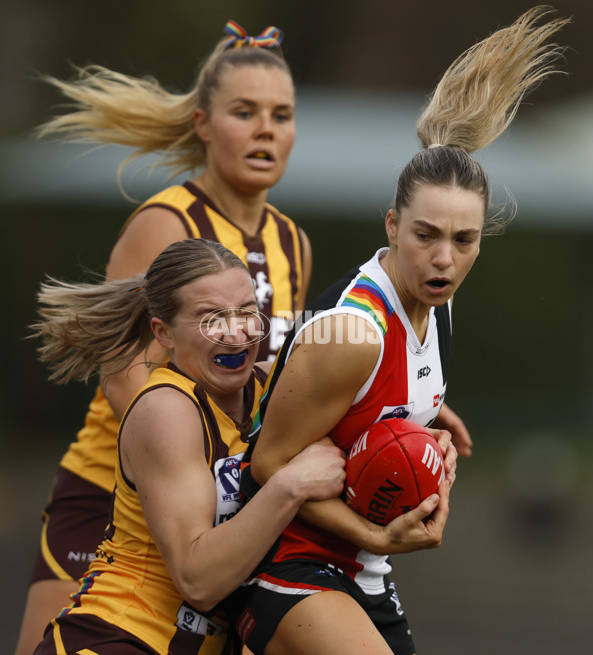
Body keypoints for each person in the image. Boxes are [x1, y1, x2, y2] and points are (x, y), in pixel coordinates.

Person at [232, 7, 568, 655]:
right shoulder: (352, 333)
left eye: (463, 239)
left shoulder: (434, 300)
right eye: (426, 236)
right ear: (392, 227)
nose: (444, 257)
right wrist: (377, 534)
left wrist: (429, 412)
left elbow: (373, 399)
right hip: (292, 568)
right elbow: (266, 462)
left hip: (365, 575)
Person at [14, 19, 312, 655]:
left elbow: (279, 379)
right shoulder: (166, 223)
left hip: (210, 501)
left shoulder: (294, 242)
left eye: (282, 114)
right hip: (115, 496)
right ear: (204, 124)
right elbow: (127, 380)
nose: (267, 128)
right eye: (245, 111)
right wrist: (199, 479)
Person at [29, 238, 346, 655]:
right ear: (163, 332)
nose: (236, 333)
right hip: (119, 638)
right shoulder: (166, 411)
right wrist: (291, 485)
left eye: (247, 312)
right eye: (211, 317)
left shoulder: (273, 387)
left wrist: (423, 427)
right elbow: (199, 581)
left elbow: (354, 373)